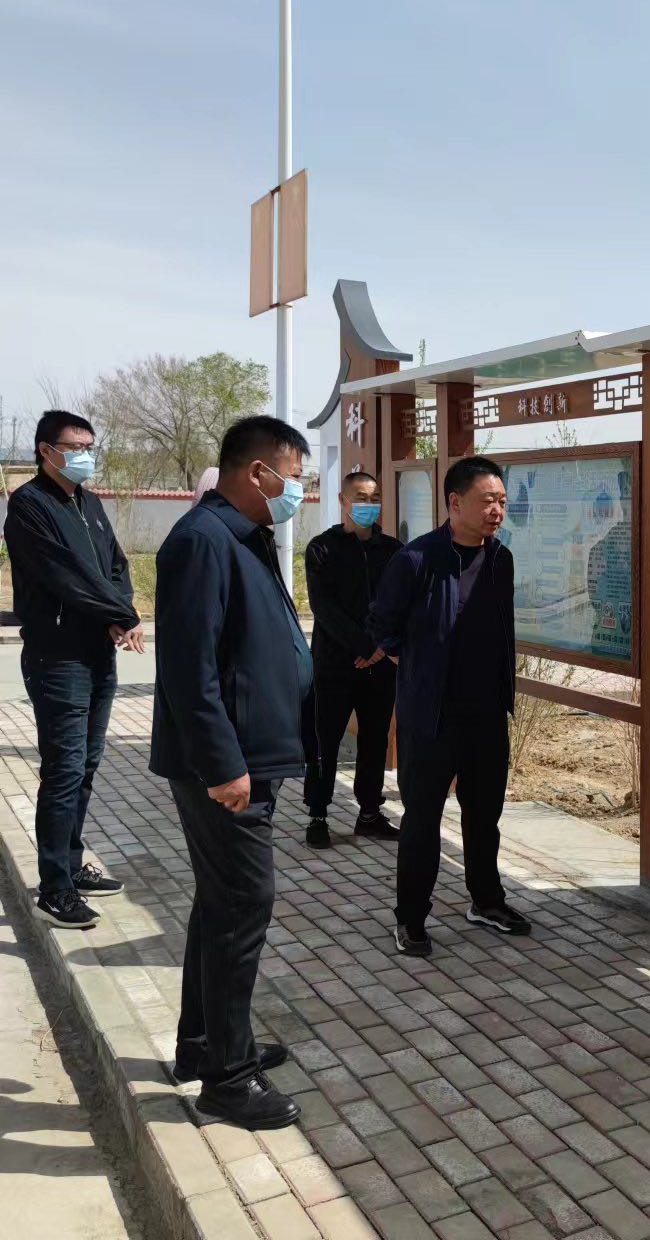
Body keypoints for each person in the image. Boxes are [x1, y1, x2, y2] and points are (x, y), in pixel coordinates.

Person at [150, 416, 313, 1130]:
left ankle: (205, 1043)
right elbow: (189, 669)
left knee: (222, 905)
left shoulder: (243, 535)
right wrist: (223, 765)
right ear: (256, 473)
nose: (298, 491)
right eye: (293, 477)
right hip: (227, 768)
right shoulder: (203, 540)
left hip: (247, 758)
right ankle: (228, 1078)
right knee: (243, 905)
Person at [368, 455, 529, 956]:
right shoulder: (416, 560)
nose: (497, 510)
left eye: (502, 501)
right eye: (487, 501)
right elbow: (382, 625)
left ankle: (486, 901)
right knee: (422, 820)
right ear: (455, 503)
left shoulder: (501, 559)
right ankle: (411, 917)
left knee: (484, 817)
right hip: (431, 718)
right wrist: (419, 667)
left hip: (487, 714)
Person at [5, 410, 144, 929]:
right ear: (47, 451)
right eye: (75, 447)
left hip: (97, 654)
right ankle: (54, 888)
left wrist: (120, 611)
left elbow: (114, 566)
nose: (86, 455)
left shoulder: (90, 502)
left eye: (90, 446)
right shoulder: (28, 506)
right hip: (57, 657)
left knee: (86, 763)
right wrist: (120, 614)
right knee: (63, 770)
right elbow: (67, 575)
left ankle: (71, 862)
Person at [302, 471, 402, 848]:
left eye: (374, 498)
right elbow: (323, 607)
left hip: (380, 667)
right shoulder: (322, 549)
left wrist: (380, 647)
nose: (368, 505)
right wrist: (363, 646)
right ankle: (318, 814)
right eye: (360, 497)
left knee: (375, 741)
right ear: (343, 500)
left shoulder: (393, 550)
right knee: (324, 741)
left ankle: (370, 813)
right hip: (334, 664)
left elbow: (400, 602)